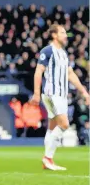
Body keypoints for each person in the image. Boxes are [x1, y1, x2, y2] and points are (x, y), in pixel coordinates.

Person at [30, 24, 89, 170]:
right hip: (51, 94)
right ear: (54, 35)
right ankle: (47, 158)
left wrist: (84, 92)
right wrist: (37, 93)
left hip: (61, 95)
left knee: (52, 128)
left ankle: (47, 161)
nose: (65, 35)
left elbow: (70, 74)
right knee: (64, 124)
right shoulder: (47, 51)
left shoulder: (63, 53)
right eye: (62, 32)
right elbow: (38, 72)